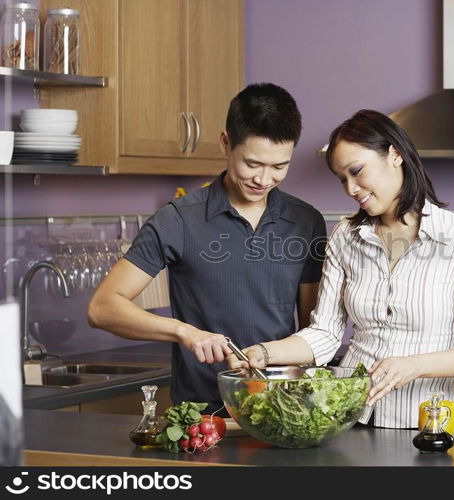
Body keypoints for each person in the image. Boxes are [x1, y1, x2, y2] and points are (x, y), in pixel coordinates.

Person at [230, 109, 454, 429]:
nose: (350, 188)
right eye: (342, 178)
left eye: (357, 171)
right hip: (348, 416)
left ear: (395, 155)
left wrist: (416, 365)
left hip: (424, 422)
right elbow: (325, 333)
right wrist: (265, 353)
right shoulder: (345, 235)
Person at [88, 83, 327, 413]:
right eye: (253, 164)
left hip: (281, 410)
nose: (264, 179)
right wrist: (184, 333)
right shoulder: (178, 220)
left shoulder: (306, 221)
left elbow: (313, 328)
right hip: (200, 415)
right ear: (226, 144)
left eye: (279, 167)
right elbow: (102, 308)